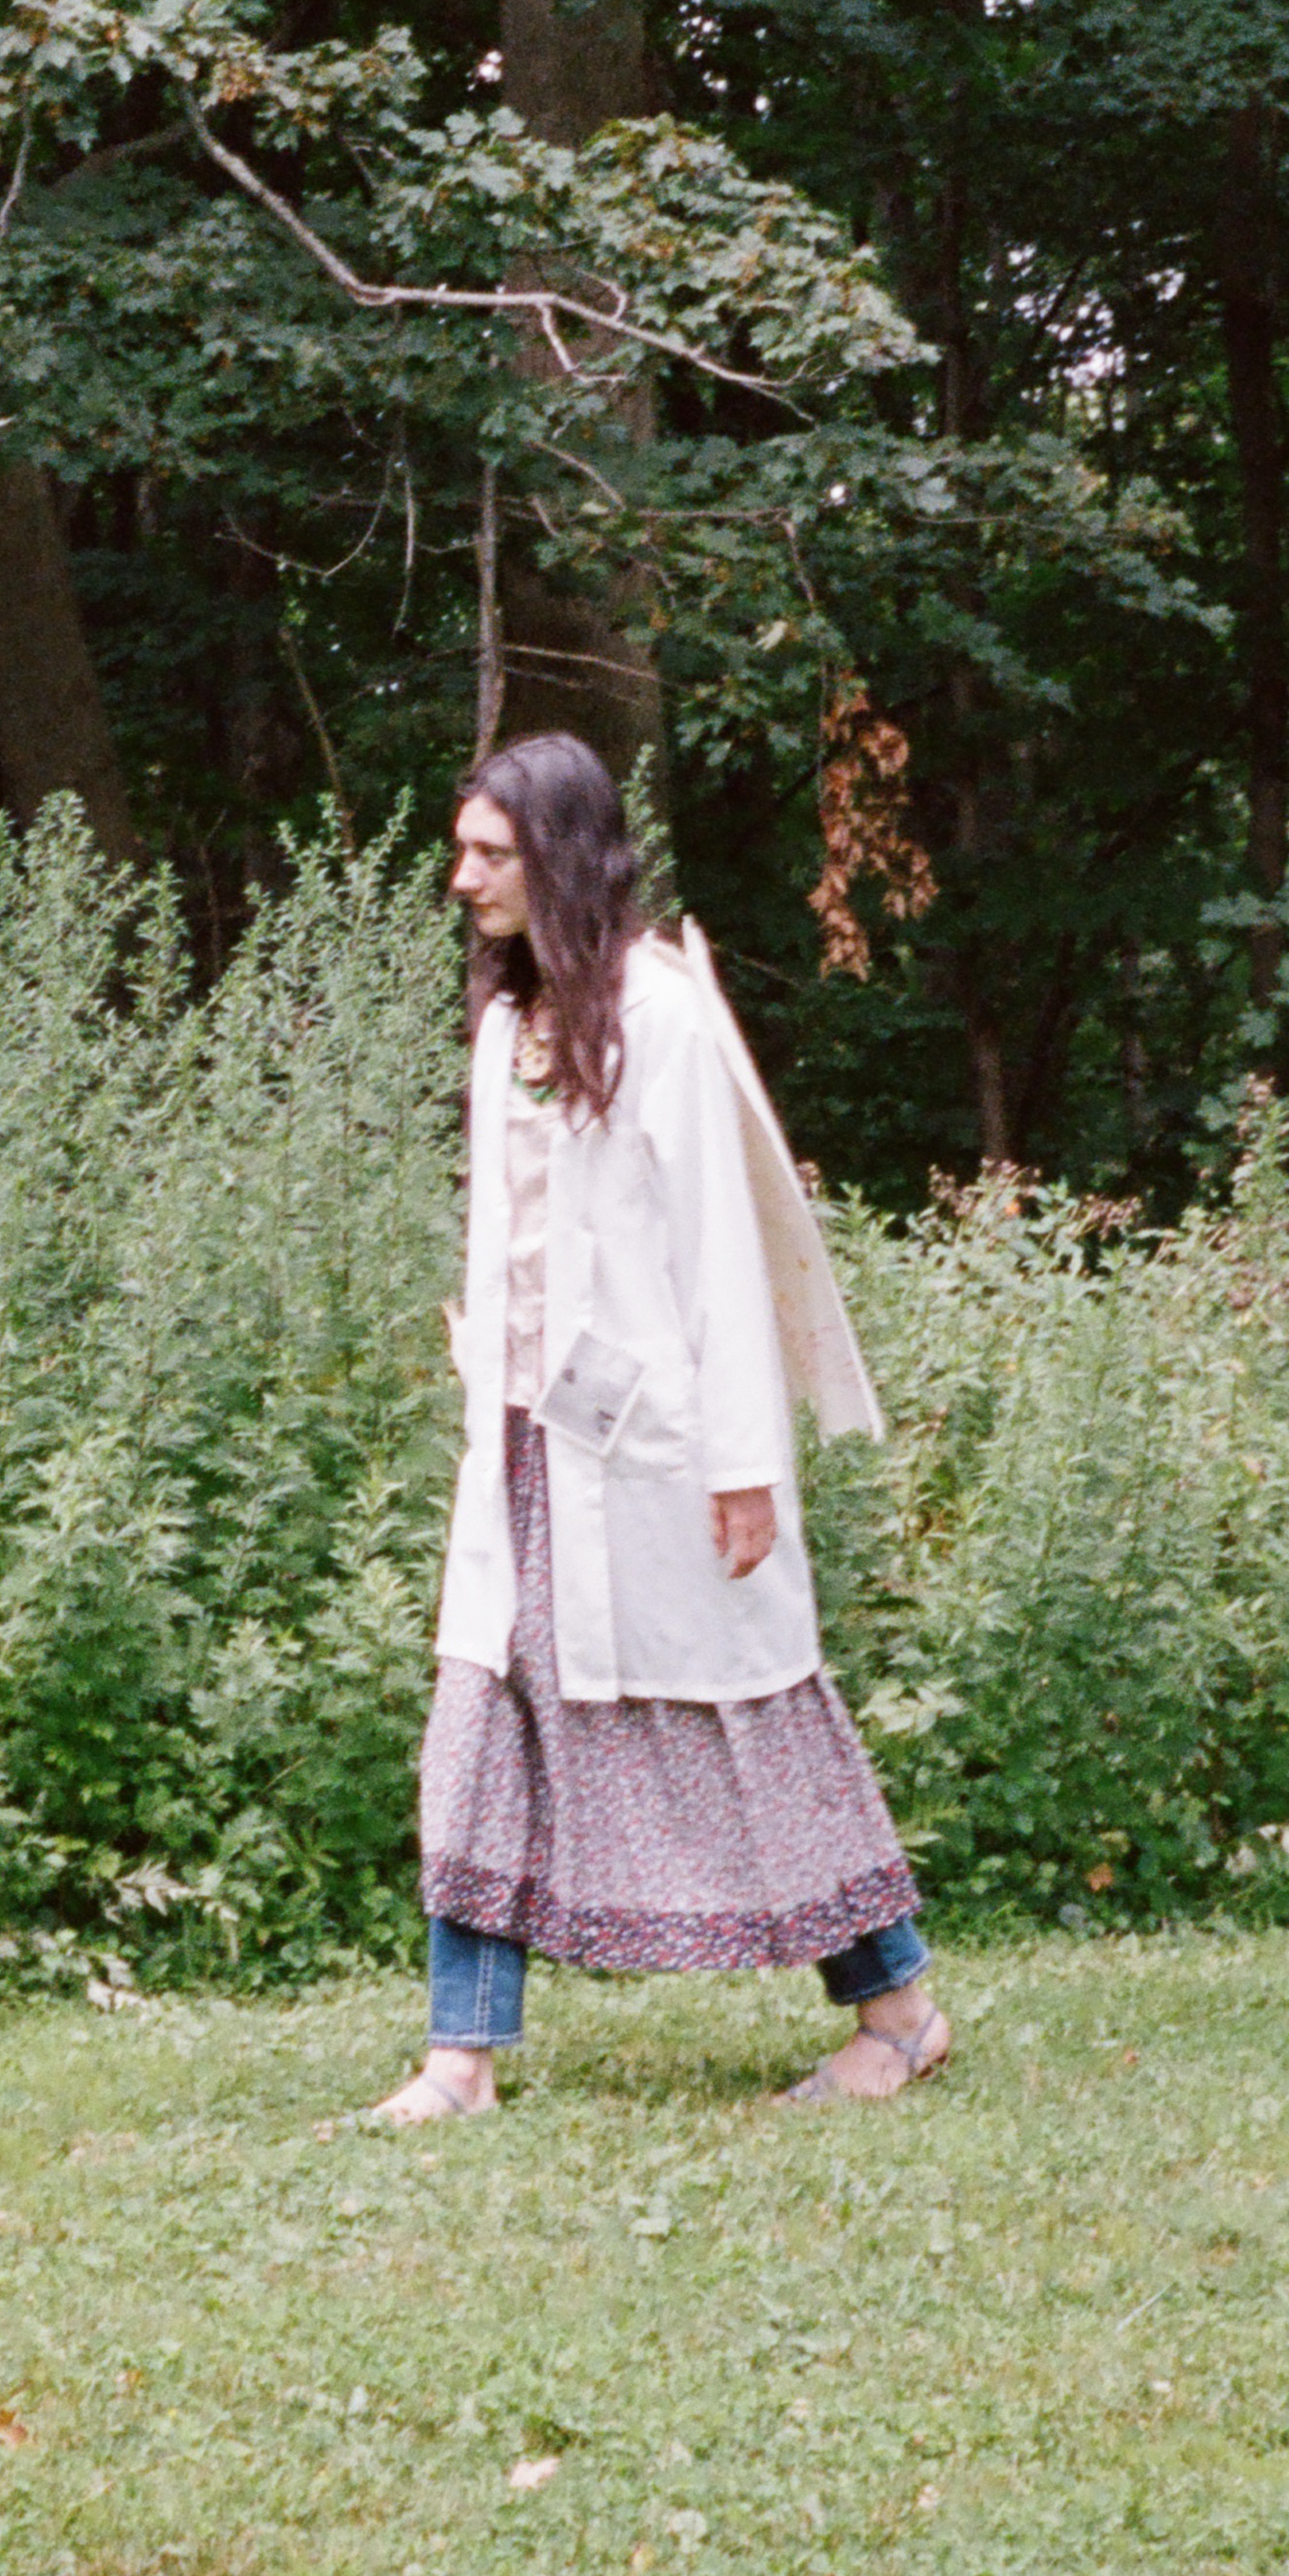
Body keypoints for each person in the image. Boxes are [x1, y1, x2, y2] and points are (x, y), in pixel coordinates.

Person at [368, 732, 950, 2124]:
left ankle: (902, 2013)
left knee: (751, 1726)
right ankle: (460, 2057)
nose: (461, 880)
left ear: (561, 856)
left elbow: (719, 1252)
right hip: (516, 1449)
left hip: (653, 1455)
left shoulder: (662, 1014)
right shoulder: (514, 1027)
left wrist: (744, 1467)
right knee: (482, 1718)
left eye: (490, 855)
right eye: (460, 852)